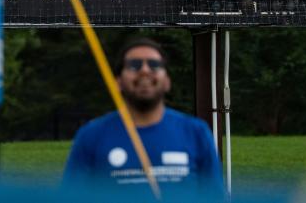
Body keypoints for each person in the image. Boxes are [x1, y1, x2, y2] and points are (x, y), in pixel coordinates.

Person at [63, 38, 224, 198]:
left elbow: (215, 197)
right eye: (134, 65)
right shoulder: (91, 135)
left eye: (154, 65)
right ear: (117, 82)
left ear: (167, 81)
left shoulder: (196, 132)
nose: (145, 71)